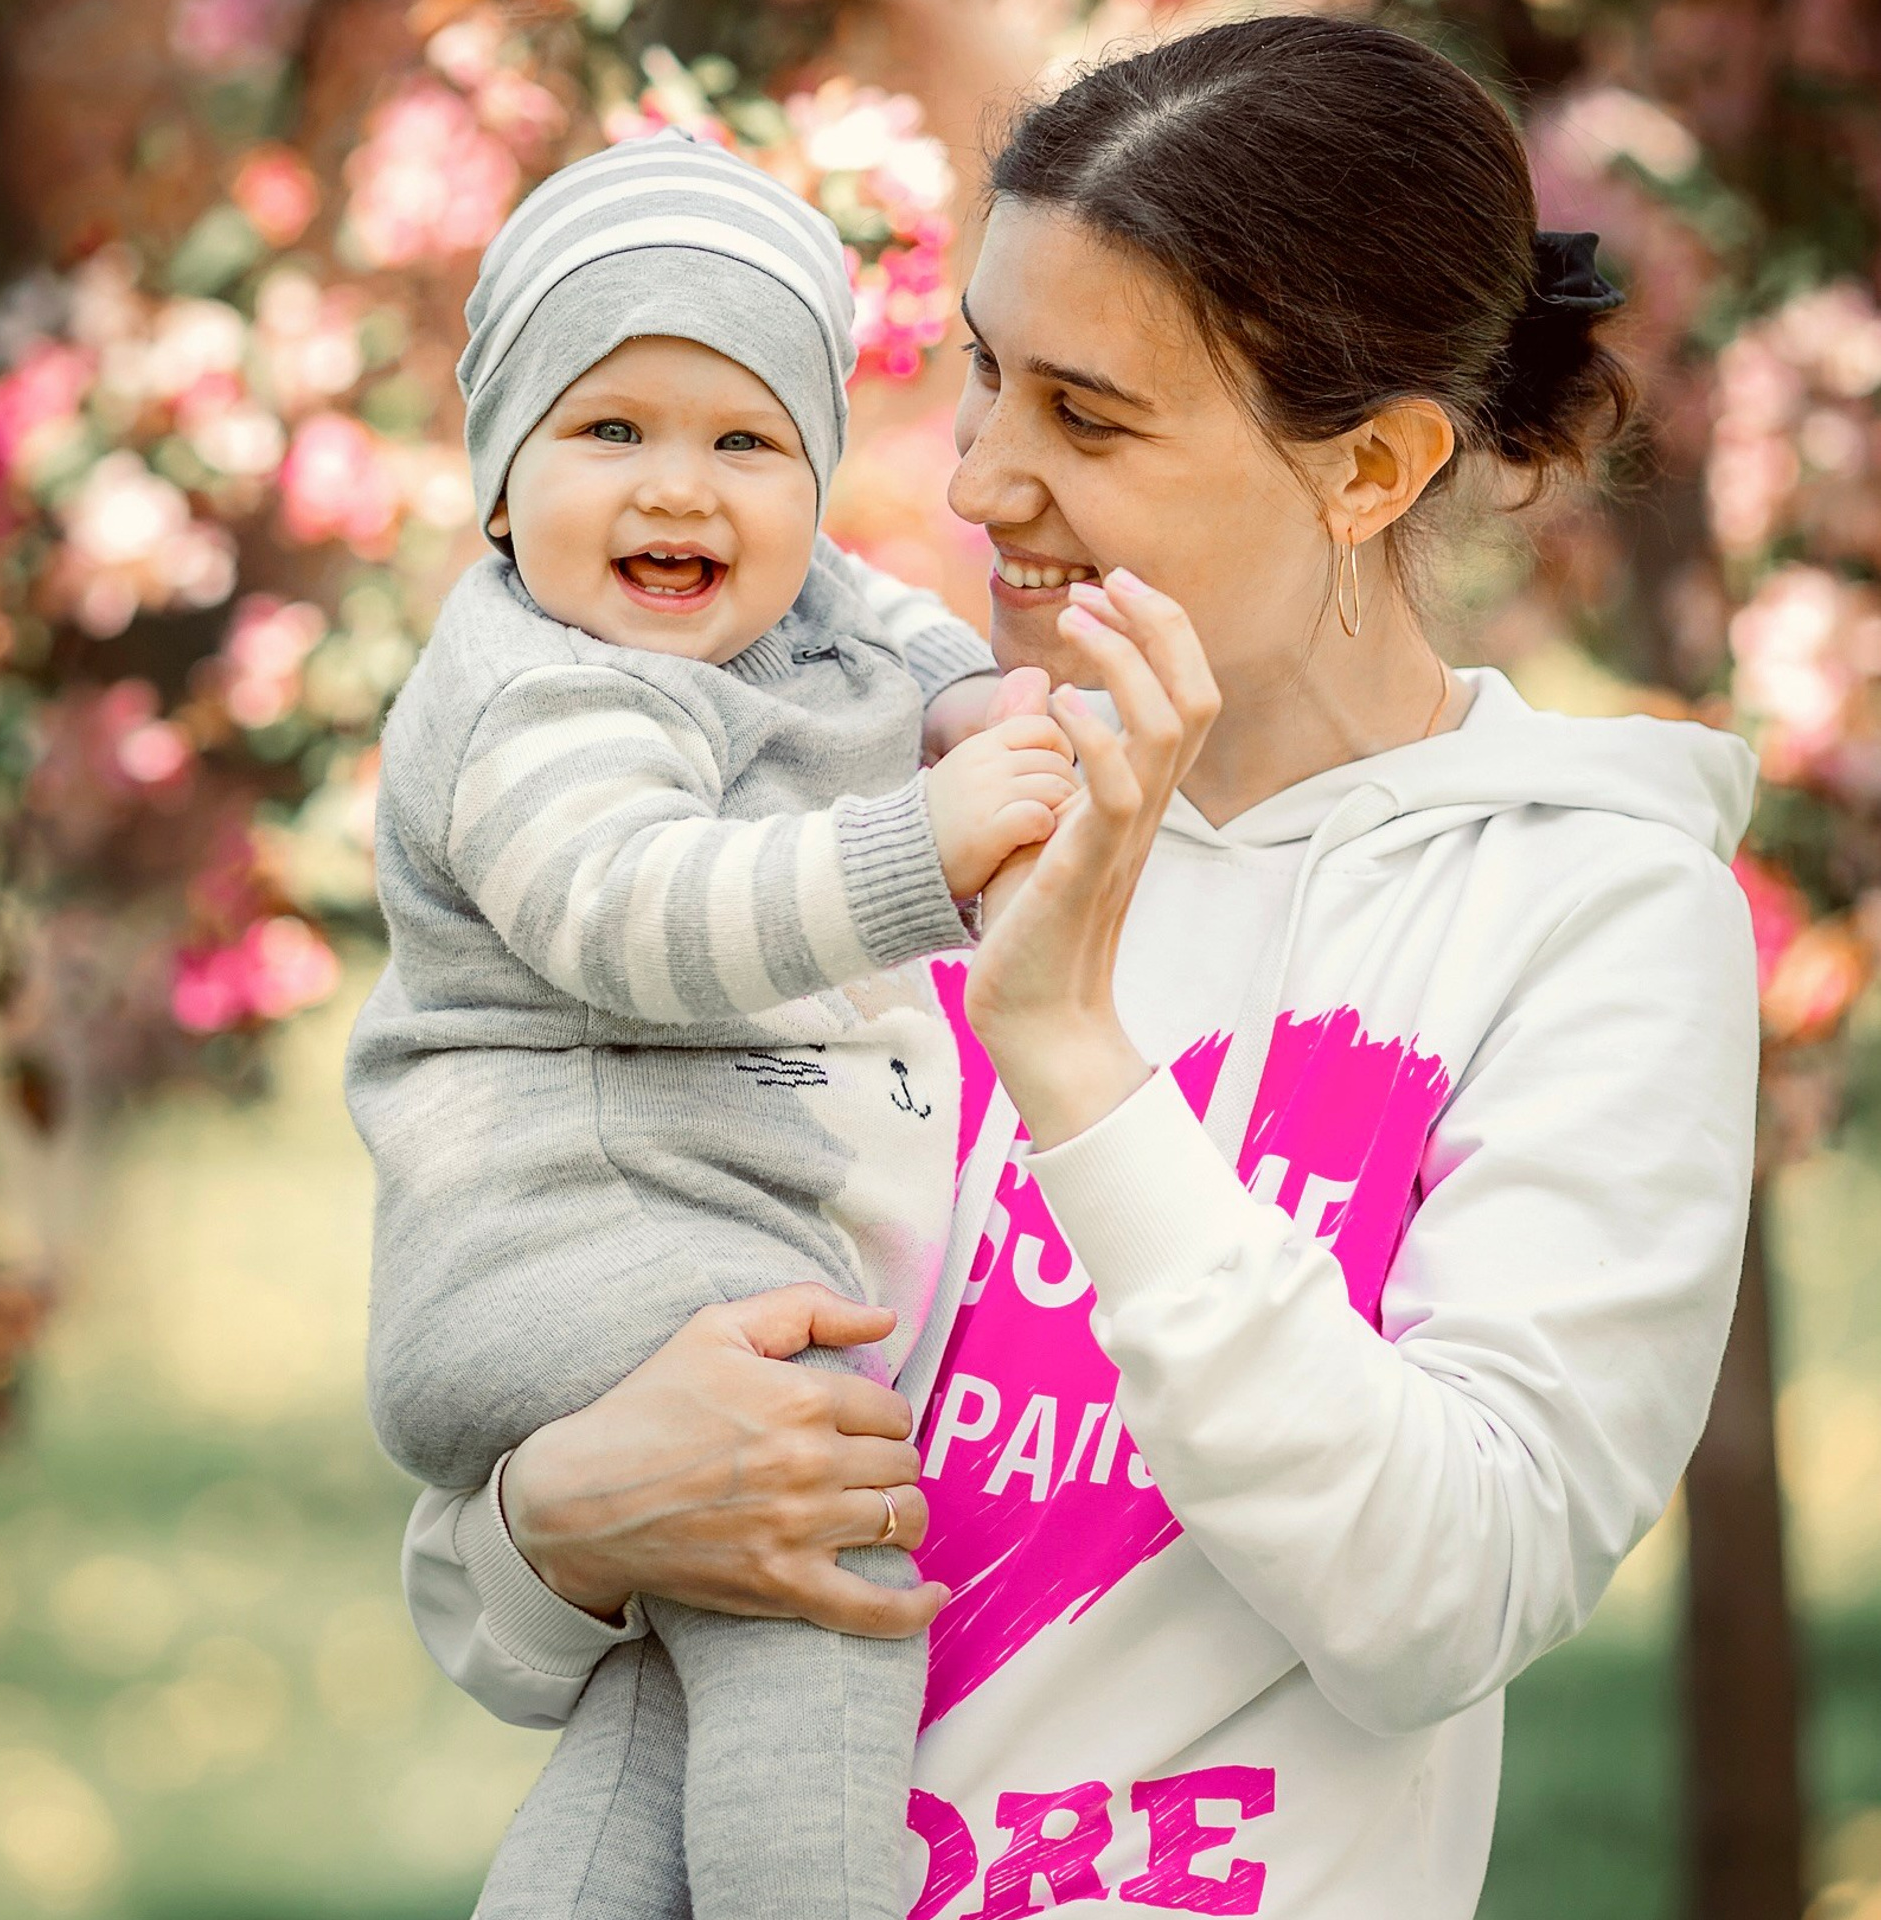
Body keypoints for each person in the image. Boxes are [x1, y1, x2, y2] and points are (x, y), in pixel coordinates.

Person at [398, 18, 1761, 1918]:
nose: (974, 484)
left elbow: (1441, 1601)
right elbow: (503, 1588)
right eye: (982, 374)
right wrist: (558, 1529)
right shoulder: (837, 802)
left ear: (1371, 467)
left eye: (1089, 417)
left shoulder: (1584, 911)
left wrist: (1067, 1049)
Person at [347, 130, 1081, 1920]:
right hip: (564, 1234)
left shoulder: (806, 609)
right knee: (820, 1572)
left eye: (746, 440)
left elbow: (899, 648)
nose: (681, 487)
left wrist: (976, 699)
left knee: (680, 1701)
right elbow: (640, 914)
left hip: (659, 1228)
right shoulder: (538, 694)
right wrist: (927, 848)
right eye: (611, 430)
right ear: (500, 485)